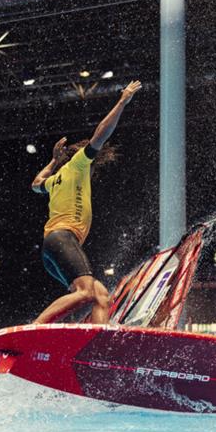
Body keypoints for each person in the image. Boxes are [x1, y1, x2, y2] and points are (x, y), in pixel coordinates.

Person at [31, 80, 142, 325]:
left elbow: (35, 183)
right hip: (62, 239)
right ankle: (35, 328)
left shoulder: (55, 179)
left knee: (101, 296)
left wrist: (52, 162)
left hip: (53, 247)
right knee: (86, 292)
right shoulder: (77, 165)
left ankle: (97, 343)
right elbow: (101, 133)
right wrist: (122, 101)